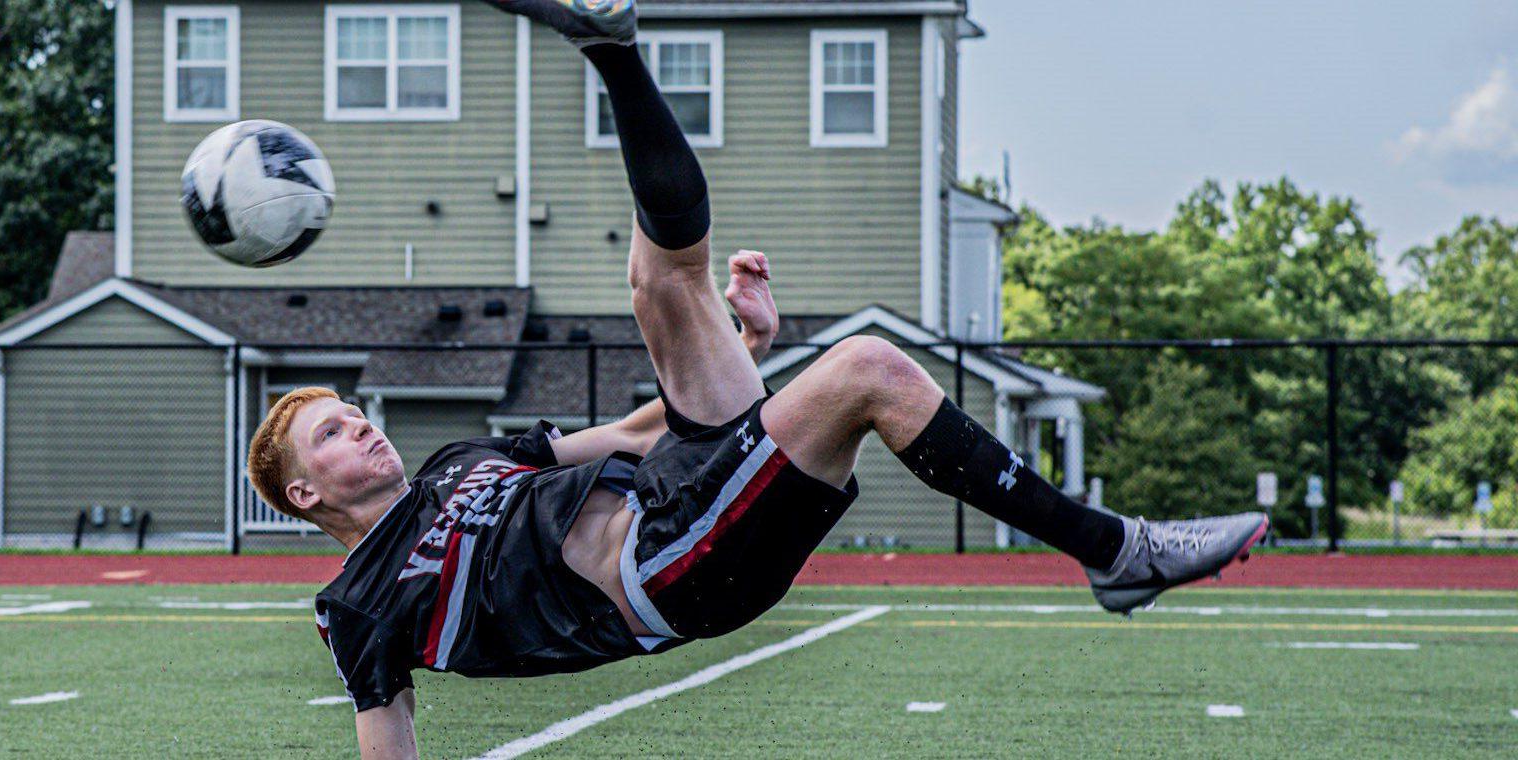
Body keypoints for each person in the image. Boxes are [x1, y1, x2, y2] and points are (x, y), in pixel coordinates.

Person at [244, 2, 1269, 756]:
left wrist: (746, 358)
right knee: (867, 367)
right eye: (328, 435)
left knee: (661, 280)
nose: (360, 429)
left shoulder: (459, 462)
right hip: (665, 567)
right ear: (302, 492)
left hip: (672, 484)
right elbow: (386, 742)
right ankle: (1115, 550)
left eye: (349, 413)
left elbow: (636, 432)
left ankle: (610, 47)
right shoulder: (356, 605)